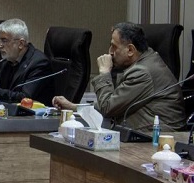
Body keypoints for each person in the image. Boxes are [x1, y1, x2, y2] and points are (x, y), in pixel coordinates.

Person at [53, 22, 185, 131]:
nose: (110, 52)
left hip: (155, 139)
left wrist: (104, 73)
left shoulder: (142, 72)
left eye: (114, 47)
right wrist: (73, 106)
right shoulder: (143, 62)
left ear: (130, 50)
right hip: (143, 134)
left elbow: (108, 108)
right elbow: (114, 103)